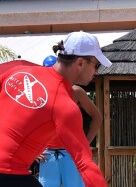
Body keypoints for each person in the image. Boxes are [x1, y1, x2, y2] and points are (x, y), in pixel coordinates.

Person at [0, 31, 111, 187]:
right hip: (8, 174)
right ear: (80, 63)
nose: (96, 71)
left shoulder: (18, 72)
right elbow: (85, 163)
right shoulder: (64, 104)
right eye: (96, 64)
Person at [38, 55, 102, 187]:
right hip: (47, 153)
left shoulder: (75, 92)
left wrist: (85, 142)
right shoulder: (40, 94)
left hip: (71, 153)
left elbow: (97, 117)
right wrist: (34, 151)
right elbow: (28, 124)